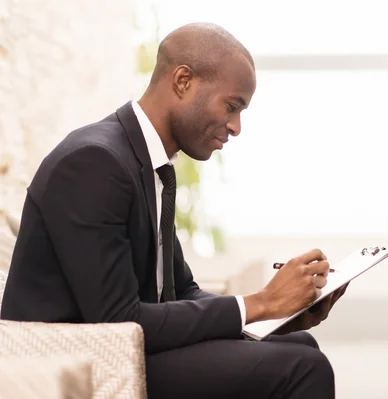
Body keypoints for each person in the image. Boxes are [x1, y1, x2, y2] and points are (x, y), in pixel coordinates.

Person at [0, 22, 348, 399]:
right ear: (183, 81)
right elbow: (118, 320)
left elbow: (180, 292)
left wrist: (278, 314)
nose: (236, 127)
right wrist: (260, 304)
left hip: (127, 345)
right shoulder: (94, 162)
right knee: (303, 369)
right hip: (82, 360)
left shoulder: (150, 166)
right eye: (232, 106)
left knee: (299, 344)